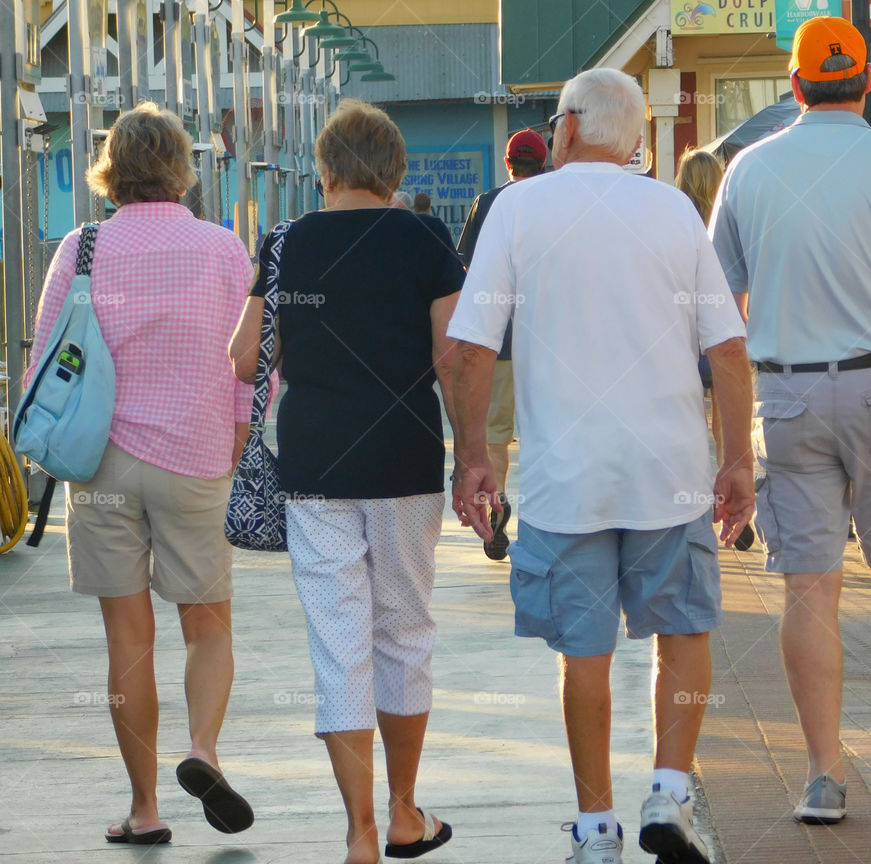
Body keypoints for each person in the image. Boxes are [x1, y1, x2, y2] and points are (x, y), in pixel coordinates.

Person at [447, 69, 754, 864]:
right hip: (672, 473)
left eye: (554, 122)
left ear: (572, 129)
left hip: (564, 482)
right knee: (683, 630)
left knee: (585, 654)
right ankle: (671, 794)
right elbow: (727, 348)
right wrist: (739, 460)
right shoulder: (674, 211)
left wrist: (474, 455)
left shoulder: (517, 208)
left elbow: (469, 349)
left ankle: (594, 830)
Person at [709, 16, 871, 825]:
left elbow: (723, 314)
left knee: (808, 586)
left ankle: (823, 775)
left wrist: (733, 439)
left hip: (789, 397)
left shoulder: (747, 169)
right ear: (869, 86)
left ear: (793, 86)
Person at [229, 99, 463, 864]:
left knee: (339, 648)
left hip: (313, 463)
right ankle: (403, 813)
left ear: (325, 170)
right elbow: (451, 356)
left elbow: (243, 358)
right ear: (394, 171)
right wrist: (478, 454)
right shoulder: (425, 236)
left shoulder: (287, 242)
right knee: (403, 632)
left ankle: (359, 832)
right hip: (404, 459)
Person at [25, 102, 255, 845]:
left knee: (129, 638)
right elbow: (257, 359)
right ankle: (204, 749)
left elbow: (44, 362)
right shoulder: (223, 250)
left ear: (111, 170)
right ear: (182, 167)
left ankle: (145, 809)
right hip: (197, 456)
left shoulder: (82, 247)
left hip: (102, 463)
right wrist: (238, 433)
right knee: (207, 622)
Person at [456, 128, 547, 560]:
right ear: (543, 163)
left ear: (508, 163)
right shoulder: (558, 205)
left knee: (496, 434)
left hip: (500, 343)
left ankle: (499, 501)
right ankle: (549, 514)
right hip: (548, 344)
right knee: (543, 432)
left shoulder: (488, 204)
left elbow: (468, 271)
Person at [675, 147, 755, 552]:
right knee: (727, 424)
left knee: (695, 424)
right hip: (727, 336)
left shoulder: (675, 220)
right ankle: (731, 488)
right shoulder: (730, 220)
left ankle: (704, 497)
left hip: (687, 340)